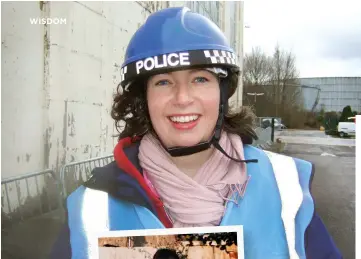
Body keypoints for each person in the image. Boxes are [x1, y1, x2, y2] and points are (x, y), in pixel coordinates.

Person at [50, 7, 342, 259]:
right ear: (143, 100)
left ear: (222, 93)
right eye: (163, 82)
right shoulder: (92, 207)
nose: (182, 98)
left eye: (200, 79)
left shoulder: (284, 188)